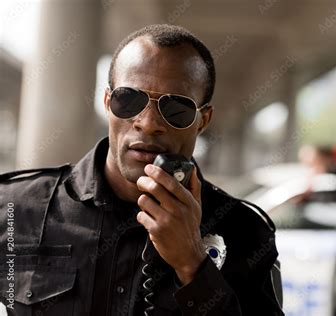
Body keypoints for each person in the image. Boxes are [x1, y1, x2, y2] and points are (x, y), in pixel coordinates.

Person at [0, 24, 283, 315]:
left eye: (175, 108)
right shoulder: (16, 207)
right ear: (108, 102)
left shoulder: (245, 232)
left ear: (203, 120)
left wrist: (193, 264)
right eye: (129, 99)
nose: (148, 123)